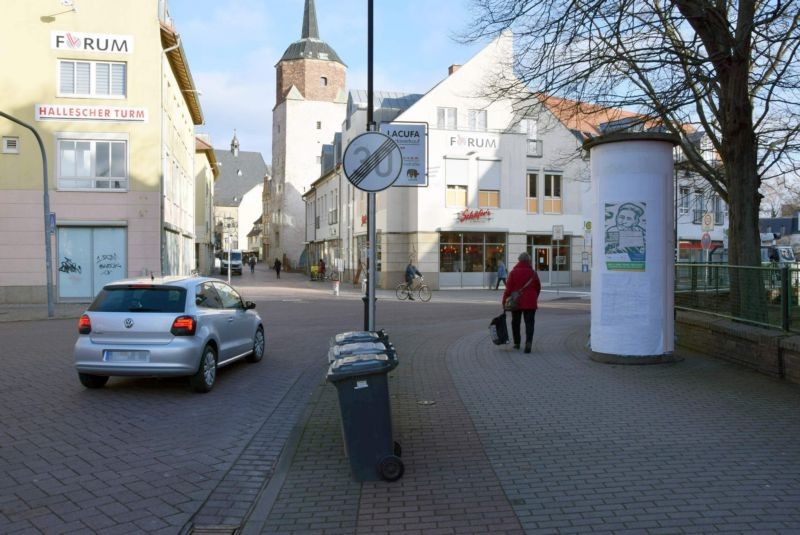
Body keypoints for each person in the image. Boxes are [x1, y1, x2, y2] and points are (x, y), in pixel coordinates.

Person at [502, 252, 541, 353]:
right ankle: (528, 343)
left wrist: (504, 301)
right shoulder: (533, 273)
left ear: (519, 260)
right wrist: (534, 297)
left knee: (515, 322)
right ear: (529, 261)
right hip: (530, 301)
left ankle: (517, 343)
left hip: (516, 301)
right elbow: (538, 287)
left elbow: (508, 289)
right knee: (530, 323)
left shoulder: (513, 273)